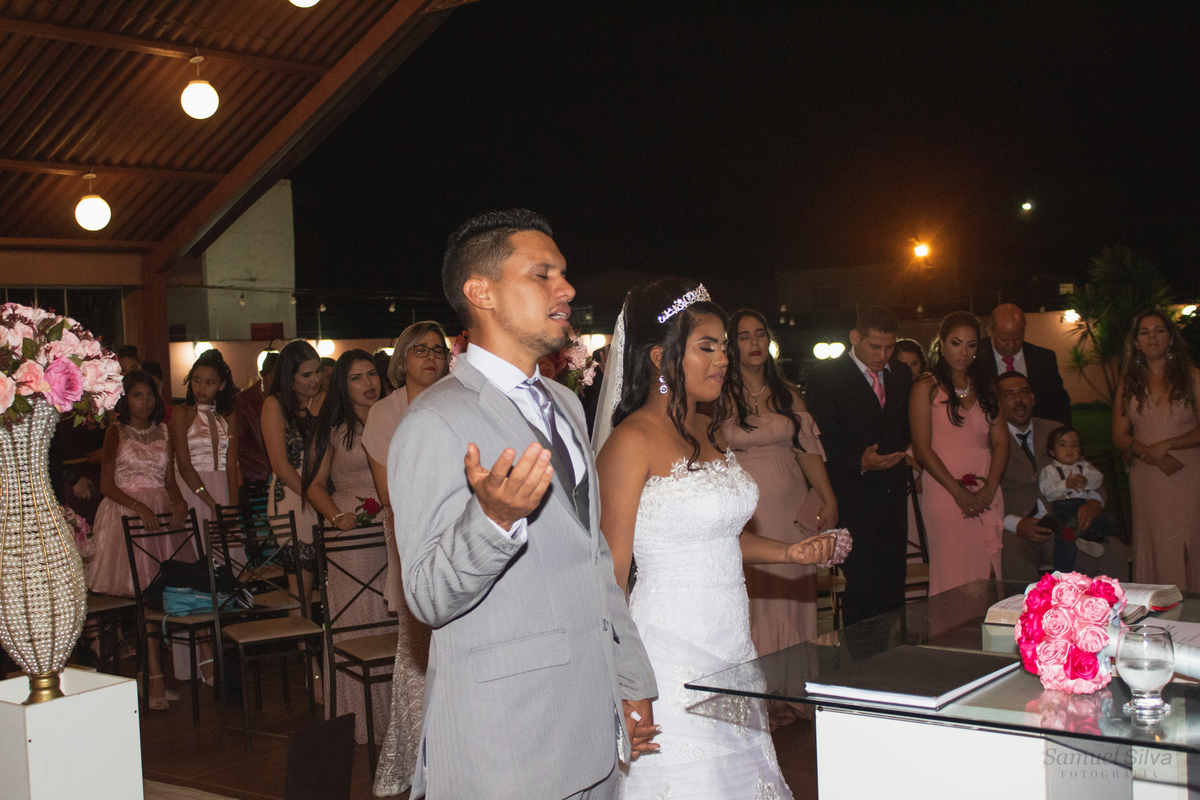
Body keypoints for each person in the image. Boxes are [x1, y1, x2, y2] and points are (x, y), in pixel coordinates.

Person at [390, 210, 657, 800]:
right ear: (480, 292)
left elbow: (593, 556)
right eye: (543, 275)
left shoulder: (565, 403)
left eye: (563, 274)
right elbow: (427, 596)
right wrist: (493, 520)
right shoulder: (434, 419)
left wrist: (630, 677)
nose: (567, 290)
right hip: (508, 741)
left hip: (591, 722)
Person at [595, 280, 835, 799]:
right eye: (708, 347)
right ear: (661, 357)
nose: (724, 359)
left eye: (724, 346)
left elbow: (719, 539)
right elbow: (610, 575)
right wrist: (625, 681)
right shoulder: (631, 442)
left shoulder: (710, 431)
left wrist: (788, 552)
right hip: (667, 646)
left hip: (732, 641)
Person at [718, 309, 836, 683]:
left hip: (790, 508)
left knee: (794, 592)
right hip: (748, 512)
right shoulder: (719, 394)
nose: (754, 343)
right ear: (732, 346)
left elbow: (809, 451)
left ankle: (794, 689)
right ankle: (763, 691)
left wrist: (828, 497)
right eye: (744, 337)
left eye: (759, 334)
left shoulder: (787, 393)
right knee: (755, 599)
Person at [366, 321, 446, 797]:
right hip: (411, 533)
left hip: (458, 530)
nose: (431, 357)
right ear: (402, 359)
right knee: (418, 646)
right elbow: (387, 492)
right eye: (420, 350)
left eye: (438, 350)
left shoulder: (457, 400)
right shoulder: (386, 412)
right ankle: (422, 760)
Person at [300, 350, 392, 747]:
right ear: (342, 385)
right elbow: (313, 485)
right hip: (352, 533)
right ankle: (361, 718)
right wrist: (337, 517)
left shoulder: (396, 419)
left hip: (394, 527)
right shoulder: (333, 430)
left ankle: (399, 719)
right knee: (357, 620)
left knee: (393, 620)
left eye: (371, 374)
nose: (368, 383)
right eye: (356, 378)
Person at [88, 370, 188, 710]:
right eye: (136, 395)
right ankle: (154, 676)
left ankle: (152, 673)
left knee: (159, 597)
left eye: (149, 395)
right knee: (145, 600)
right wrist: (138, 506)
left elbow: (169, 480)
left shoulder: (164, 431)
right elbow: (106, 484)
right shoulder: (115, 432)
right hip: (125, 514)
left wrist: (179, 502)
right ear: (125, 399)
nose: (144, 402)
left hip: (159, 516)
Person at [806, 307, 912, 625]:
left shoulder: (901, 374)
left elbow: (904, 427)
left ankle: (896, 650)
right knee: (863, 587)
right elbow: (818, 439)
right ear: (855, 337)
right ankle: (863, 653)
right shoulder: (825, 376)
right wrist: (858, 461)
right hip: (853, 494)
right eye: (875, 346)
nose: (882, 355)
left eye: (889, 347)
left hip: (893, 493)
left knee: (894, 585)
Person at [997, 371, 1128, 583]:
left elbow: (1090, 475)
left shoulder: (1056, 430)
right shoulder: (991, 438)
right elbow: (983, 495)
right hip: (1017, 530)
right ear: (998, 402)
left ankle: (1106, 605)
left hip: (1064, 525)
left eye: (1024, 392)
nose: (1019, 400)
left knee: (1113, 552)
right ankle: (1029, 606)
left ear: (1033, 398)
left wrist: (1094, 502)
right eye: (1009, 395)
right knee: (1013, 561)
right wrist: (1015, 523)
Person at [910, 312, 1007, 595]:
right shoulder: (925, 386)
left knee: (989, 573)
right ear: (941, 344)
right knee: (953, 576)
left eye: (971, 344)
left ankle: (988, 625)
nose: (963, 352)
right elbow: (921, 448)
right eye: (956, 343)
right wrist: (957, 492)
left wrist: (990, 487)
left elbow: (1002, 442)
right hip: (944, 490)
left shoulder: (987, 387)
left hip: (987, 486)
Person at [1113, 310, 1200, 589]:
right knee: (1154, 541)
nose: (1152, 337)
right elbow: (1119, 435)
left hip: (1187, 475)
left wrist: (1168, 444)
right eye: (1145, 332)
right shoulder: (1128, 382)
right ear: (1136, 342)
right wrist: (1149, 454)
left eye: (1159, 330)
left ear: (1171, 338)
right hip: (1147, 478)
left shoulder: (1193, 377)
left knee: (1189, 540)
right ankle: (1156, 605)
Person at [262, 341, 325, 611]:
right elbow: (279, 464)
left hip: (324, 495)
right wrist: (315, 497)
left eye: (318, 371)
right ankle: (304, 639)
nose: (316, 379)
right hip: (293, 497)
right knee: (301, 591)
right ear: (289, 378)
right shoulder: (274, 405)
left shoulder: (325, 400)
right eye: (307, 374)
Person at [171, 349, 239, 523]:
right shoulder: (181, 413)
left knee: (223, 538)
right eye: (196, 380)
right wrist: (213, 504)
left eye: (209, 383)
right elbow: (184, 465)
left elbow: (232, 463)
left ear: (221, 385)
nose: (201, 388)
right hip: (192, 489)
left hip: (222, 487)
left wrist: (233, 505)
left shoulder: (227, 415)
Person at [980, 303, 1072, 426]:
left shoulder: (1043, 359)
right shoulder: (975, 358)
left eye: (1018, 338)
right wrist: (962, 393)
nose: (1011, 345)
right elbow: (962, 394)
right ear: (990, 331)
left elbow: (1060, 404)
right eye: (1004, 340)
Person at [1038, 425, 1112, 571]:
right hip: (1064, 509)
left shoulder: (1083, 467)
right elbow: (1046, 489)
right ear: (1052, 451)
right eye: (1063, 445)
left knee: (1107, 519)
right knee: (1066, 538)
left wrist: (1086, 480)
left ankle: (1089, 539)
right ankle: (1062, 573)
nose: (1069, 449)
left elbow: (1098, 477)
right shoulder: (1050, 470)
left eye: (1074, 445)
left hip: (1083, 507)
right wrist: (1066, 484)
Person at [235, 350, 278, 490]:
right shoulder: (244, 400)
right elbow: (237, 441)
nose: (277, 383)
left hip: (275, 472)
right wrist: (267, 460)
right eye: (273, 378)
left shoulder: (284, 400)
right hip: (254, 474)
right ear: (263, 375)